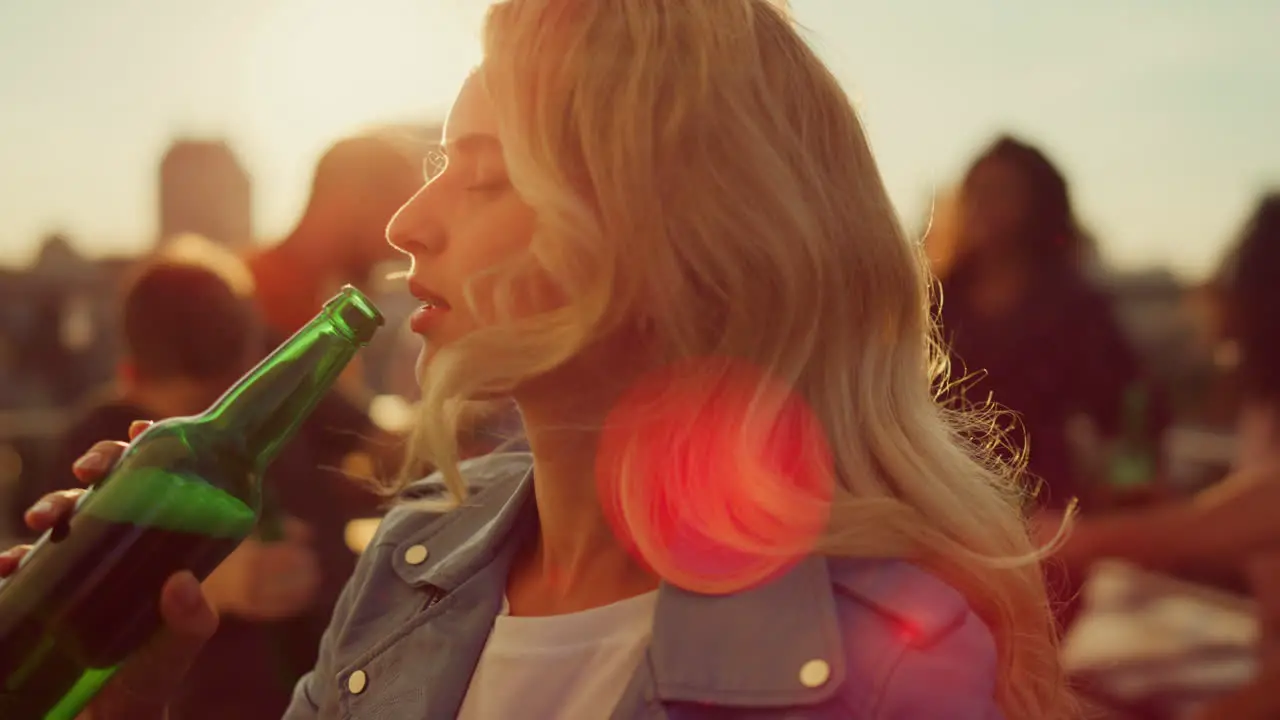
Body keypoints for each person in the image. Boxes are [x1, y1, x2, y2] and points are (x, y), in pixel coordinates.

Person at [1, 2, 1077, 718]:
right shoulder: (417, 553)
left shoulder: (880, 659)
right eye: (434, 167)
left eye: (485, 175)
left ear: (675, 231)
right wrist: (132, 698)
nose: (408, 224)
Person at [40, 252, 324, 719]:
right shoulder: (93, 448)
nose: (210, 436)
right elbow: (63, 603)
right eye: (188, 412)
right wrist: (206, 581)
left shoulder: (286, 419)